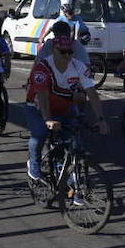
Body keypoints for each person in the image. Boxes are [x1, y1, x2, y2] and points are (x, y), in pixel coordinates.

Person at [23, 38, 106, 180]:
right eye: (63, 52)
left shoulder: (78, 66)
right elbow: (42, 96)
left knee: (74, 141)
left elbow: (92, 93)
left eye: (70, 52)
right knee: (40, 133)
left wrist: (101, 119)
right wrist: (48, 119)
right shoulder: (42, 68)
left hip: (63, 107)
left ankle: (72, 179)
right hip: (38, 108)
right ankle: (34, 163)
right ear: (54, 51)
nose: (67, 55)